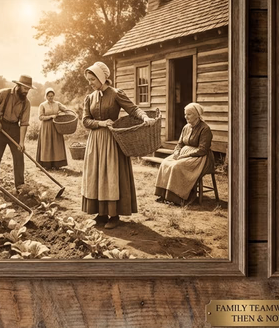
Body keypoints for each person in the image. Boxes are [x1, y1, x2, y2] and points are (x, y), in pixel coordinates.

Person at [81, 61, 156, 229]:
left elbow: (134, 109)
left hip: (111, 141)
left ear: (101, 77)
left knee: (110, 175)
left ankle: (114, 216)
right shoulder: (90, 98)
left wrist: (145, 118)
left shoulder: (115, 94)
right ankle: (101, 214)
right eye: (89, 80)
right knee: (97, 176)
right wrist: (100, 123)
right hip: (95, 141)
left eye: (92, 79)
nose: (90, 83)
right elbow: (85, 121)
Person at [154, 103, 214, 206]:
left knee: (176, 166)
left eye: (189, 114)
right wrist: (177, 152)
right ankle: (163, 195)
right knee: (165, 163)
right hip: (184, 153)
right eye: (185, 114)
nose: (186, 116)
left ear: (197, 115)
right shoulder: (186, 127)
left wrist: (185, 156)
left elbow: (202, 150)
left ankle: (178, 197)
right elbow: (179, 144)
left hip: (199, 158)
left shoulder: (205, 129)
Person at [0, 75, 33, 190]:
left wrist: (21, 142)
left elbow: (24, 123)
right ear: (18, 86)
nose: (26, 91)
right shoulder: (3, 93)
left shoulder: (26, 103)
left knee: (19, 157)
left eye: (28, 89)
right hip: (0, 127)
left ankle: (20, 185)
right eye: (25, 88)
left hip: (15, 129)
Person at [36, 87, 71, 170]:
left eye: (52, 96)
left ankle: (56, 164)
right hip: (46, 127)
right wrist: (51, 116)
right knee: (47, 145)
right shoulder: (42, 105)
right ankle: (46, 164)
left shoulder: (57, 104)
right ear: (46, 96)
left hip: (56, 126)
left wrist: (60, 113)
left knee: (56, 144)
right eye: (48, 96)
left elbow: (66, 110)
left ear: (54, 96)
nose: (50, 98)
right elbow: (40, 117)